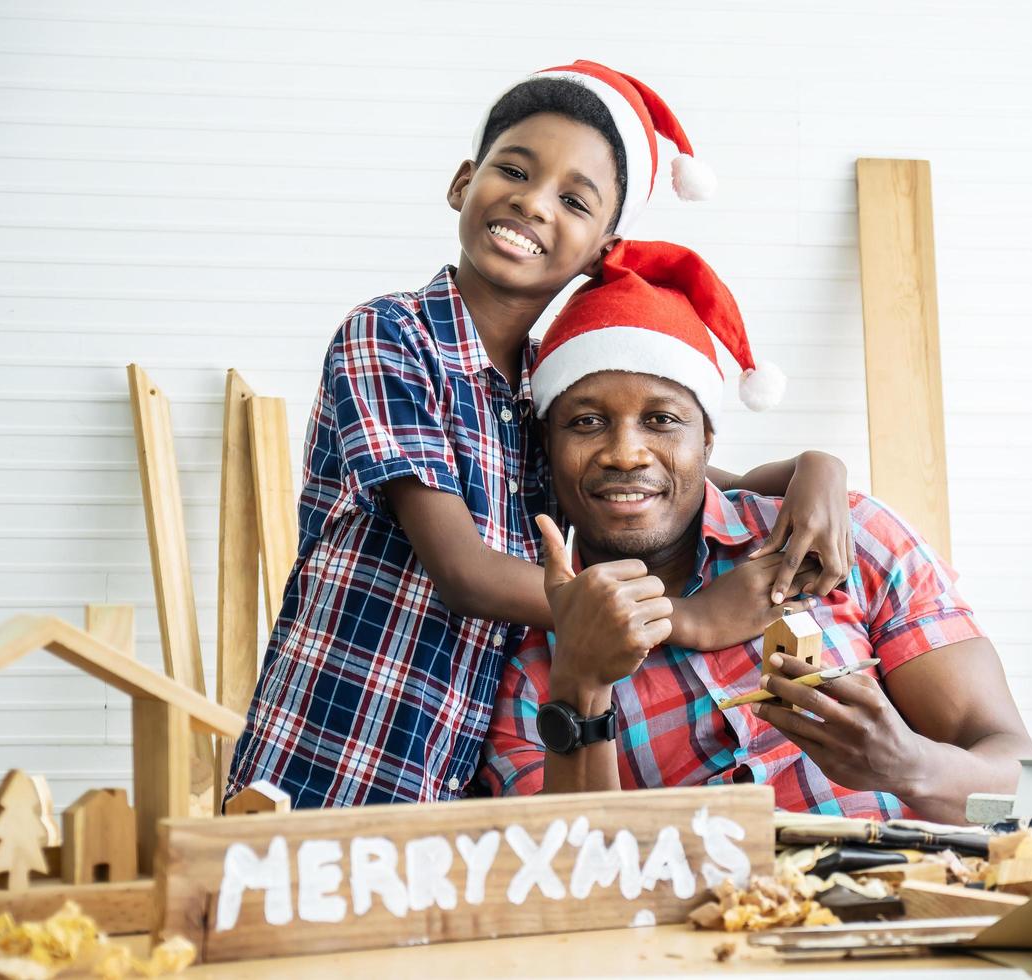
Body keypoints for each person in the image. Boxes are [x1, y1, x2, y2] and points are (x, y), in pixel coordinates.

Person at [226, 62, 855, 809]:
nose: (532, 202)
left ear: (600, 249)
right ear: (464, 183)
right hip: (323, 762)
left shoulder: (543, 393)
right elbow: (460, 570)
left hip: (453, 787)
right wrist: (684, 618)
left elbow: (686, 472)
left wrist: (819, 466)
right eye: (514, 171)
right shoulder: (391, 337)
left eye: (573, 199)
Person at [479, 241, 1032, 821]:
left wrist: (909, 765)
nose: (625, 454)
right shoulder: (524, 664)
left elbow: (1021, 777)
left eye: (662, 420)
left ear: (707, 440)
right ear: (548, 447)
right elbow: (567, 880)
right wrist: (581, 687)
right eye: (587, 422)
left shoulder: (843, 537)